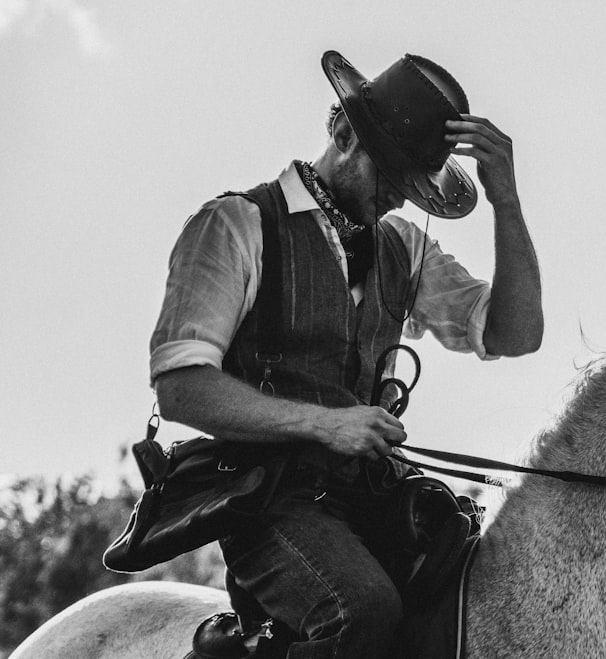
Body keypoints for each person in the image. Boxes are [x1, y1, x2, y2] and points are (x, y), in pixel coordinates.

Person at [149, 50, 543, 658]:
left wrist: (507, 203)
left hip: (371, 496)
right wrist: (327, 424)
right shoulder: (236, 224)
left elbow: (516, 334)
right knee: (361, 612)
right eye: (390, 176)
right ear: (342, 131)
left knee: (475, 595)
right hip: (267, 502)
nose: (399, 200)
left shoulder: (404, 248)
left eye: (411, 186)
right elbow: (181, 386)